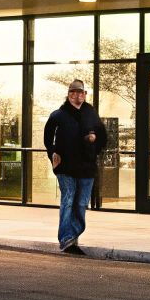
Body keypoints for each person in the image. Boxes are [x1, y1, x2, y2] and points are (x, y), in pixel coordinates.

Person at [41, 79, 107, 255]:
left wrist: (94, 142)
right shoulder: (58, 115)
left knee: (81, 203)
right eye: (72, 93)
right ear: (68, 95)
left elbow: (103, 137)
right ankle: (66, 239)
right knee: (68, 200)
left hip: (86, 166)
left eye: (80, 93)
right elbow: (48, 139)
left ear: (84, 95)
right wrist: (53, 154)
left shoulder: (91, 113)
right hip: (65, 167)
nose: (76, 95)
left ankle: (73, 236)